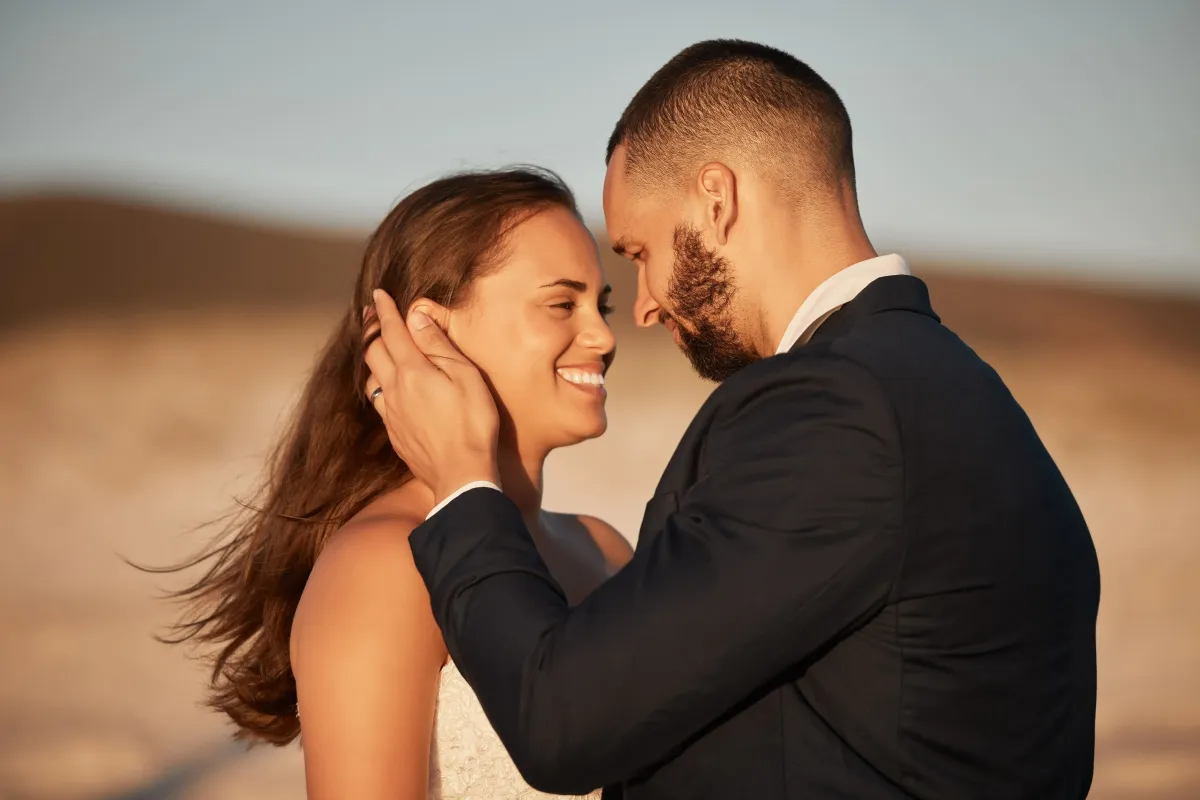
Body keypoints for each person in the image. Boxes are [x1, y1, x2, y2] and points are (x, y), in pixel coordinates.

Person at [364, 40, 1101, 798]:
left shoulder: (837, 411)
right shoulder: (963, 390)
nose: (643, 306)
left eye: (641, 251)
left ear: (716, 201)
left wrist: (462, 486)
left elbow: (560, 722)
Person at [158, 167, 631, 799]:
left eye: (601, 306)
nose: (603, 337)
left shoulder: (606, 550)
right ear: (428, 332)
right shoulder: (384, 564)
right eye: (560, 304)